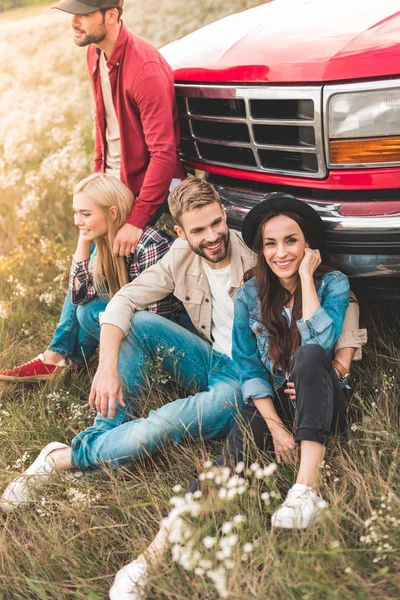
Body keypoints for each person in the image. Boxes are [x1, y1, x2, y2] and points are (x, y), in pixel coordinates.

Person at [0, 180, 364, 511]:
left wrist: (341, 362)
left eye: (215, 224)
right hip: (207, 358)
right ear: (180, 232)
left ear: (224, 214)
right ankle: (102, 435)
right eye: (198, 230)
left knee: (162, 425)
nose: (212, 237)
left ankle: (64, 458)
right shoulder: (180, 255)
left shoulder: (261, 248)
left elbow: (340, 297)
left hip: (243, 378)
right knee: (137, 323)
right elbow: (122, 302)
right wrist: (106, 368)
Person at [107, 190, 367, 600]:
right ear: (260, 249)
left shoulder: (331, 283)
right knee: (226, 465)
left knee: (311, 354)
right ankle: (149, 557)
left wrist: (304, 279)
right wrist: (278, 429)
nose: (281, 252)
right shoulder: (249, 294)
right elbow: (249, 368)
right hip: (273, 400)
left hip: (323, 393)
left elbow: (321, 338)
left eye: (291, 241)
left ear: (307, 244)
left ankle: (306, 489)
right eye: (270, 243)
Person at [0, 173, 179, 382]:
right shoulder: (105, 241)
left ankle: (72, 363)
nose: (77, 221)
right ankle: (64, 362)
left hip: (171, 339)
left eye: (85, 214)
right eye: (75, 213)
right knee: (87, 310)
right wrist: (84, 242)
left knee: (94, 313)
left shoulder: (149, 245)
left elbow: (156, 321)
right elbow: (79, 297)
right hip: (139, 322)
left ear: (112, 213)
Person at [52, 0, 185, 255]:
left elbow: (163, 154)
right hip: (112, 180)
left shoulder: (145, 69)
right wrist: (96, 180)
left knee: (102, 261)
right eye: (72, 14)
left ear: (111, 16)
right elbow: (101, 123)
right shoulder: (94, 53)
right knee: (85, 249)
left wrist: (136, 220)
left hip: (141, 185)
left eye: (84, 14)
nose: (73, 22)